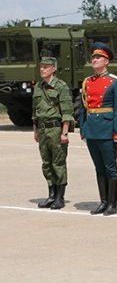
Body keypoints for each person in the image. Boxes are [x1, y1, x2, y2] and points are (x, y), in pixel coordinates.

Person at [79, 42, 117, 216]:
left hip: (107, 129)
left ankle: (112, 203)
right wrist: (83, 129)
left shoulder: (115, 82)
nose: (94, 60)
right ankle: (103, 201)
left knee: (110, 167)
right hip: (92, 129)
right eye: (93, 57)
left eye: (98, 57)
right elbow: (84, 108)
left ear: (106, 61)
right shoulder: (87, 82)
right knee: (99, 168)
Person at [32, 57, 74, 210]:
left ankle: (60, 197)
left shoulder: (61, 86)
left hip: (56, 129)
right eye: (41, 67)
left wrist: (64, 133)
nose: (42, 69)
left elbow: (67, 112)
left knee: (58, 163)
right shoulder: (38, 86)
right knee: (46, 164)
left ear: (53, 69)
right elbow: (34, 111)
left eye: (45, 67)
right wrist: (35, 130)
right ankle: (51, 195)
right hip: (42, 129)